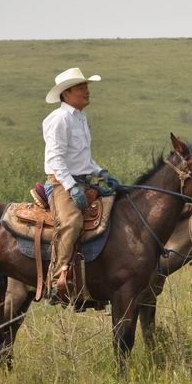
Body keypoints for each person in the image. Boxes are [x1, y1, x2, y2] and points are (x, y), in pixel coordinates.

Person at [42, 67, 119, 298]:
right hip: (61, 183)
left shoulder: (80, 118)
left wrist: (101, 172)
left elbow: (83, 158)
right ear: (66, 94)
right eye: (81, 88)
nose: (87, 91)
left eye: (86, 87)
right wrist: (70, 186)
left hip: (84, 181)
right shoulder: (58, 119)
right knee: (72, 221)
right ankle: (57, 279)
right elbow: (56, 158)